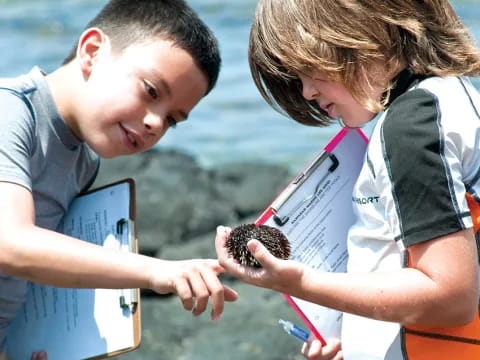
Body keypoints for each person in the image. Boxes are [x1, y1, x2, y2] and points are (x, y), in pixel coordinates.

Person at [215, 0, 480, 359]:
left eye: (309, 66)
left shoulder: (410, 129)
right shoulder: (453, 96)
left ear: (362, 28)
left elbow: (451, 297)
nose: (306, 90)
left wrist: (301, 283)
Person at [0, 0, 239, 357]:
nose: (156, 123)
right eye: (151, 91)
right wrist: (157, 272)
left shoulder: (83, 162)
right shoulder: (11, 110)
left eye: (172, 120)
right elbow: (10, 243)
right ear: (92, 52)